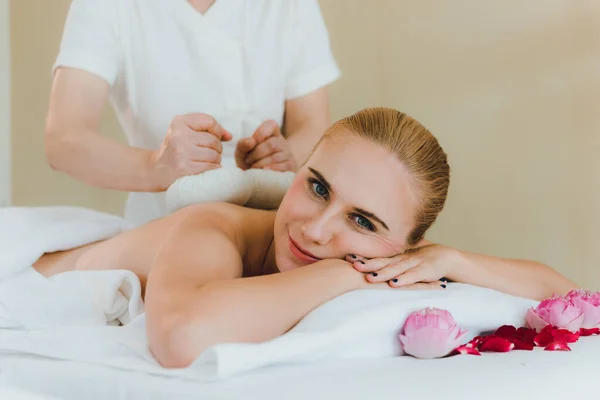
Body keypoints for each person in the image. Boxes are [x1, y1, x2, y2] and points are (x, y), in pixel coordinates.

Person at [33, 107, 579, 368]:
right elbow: (180, 338)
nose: (316, 230)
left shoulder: (398, 257)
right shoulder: (212, 226)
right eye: (317, 187)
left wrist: (454, 258)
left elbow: (566, 294)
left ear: (404, 247)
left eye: (362, 222)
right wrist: (343, 271)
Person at [43, 0, 341, 225]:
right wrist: (155, 167)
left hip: (273, 222)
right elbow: (64, 141)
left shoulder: (290, 6)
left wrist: (285, 155)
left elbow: (314, 125)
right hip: (161, 230)